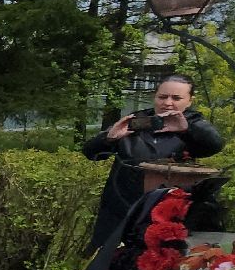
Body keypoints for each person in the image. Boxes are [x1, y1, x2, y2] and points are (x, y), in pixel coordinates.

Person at [81, 75, 223, 250]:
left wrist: (185, 131)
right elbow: (91, 152)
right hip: (121, 208)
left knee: (158, 260)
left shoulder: (193, 124)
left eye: (176, 98)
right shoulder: (136, 121)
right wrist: (108, 139)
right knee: (110, 261)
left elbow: (214, 144)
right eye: (162, 97)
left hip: (168, 212)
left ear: (189, 101)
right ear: (154, 97)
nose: (168, 103)